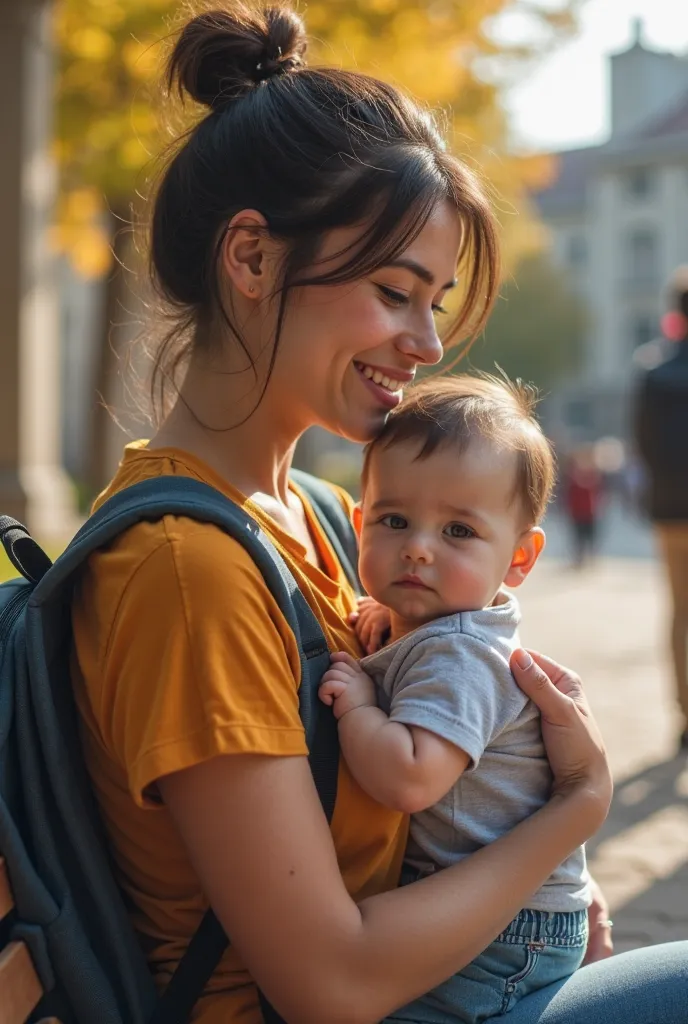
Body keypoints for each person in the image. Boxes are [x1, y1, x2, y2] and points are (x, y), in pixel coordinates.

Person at [69, 5, 688, 1023]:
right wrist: (577, 808)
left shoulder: (314, 514)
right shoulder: (188, 565)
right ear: (254, 259)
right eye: (398, 291)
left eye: (435, 301)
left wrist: (548, 892)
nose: (425, 342)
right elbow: (331, 982)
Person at [319, 375, 591, 1024]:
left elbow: (411, 778)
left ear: (519, 558)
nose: (418, 546)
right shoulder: (431, 626)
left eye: (459, 532)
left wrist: (359, 703)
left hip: (510, 930)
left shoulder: (462, 652)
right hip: (500, 902)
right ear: (360, 526)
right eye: (394, 520)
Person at [634, 266, 688, 752]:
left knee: (679, 613)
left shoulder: (653, 372)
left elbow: (644, 446)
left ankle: (685, 712)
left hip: (671, 509)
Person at [562, 447, 603, 568]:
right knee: (578, 538)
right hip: (578, 512)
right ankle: (579, 558)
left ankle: (590, 558)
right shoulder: (573, 476)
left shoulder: (593, 474)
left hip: (590, 512)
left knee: (590, 537)